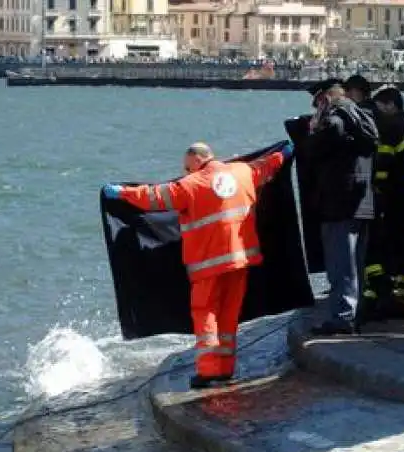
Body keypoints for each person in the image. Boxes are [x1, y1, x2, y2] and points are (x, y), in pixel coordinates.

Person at [102, 142, 292, 388]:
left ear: (195, 159)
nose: (184, 171)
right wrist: (283, 154)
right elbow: (267, 166)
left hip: (208, 265)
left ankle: (208, 371)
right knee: (229, 315)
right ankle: (225, 369)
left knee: (206, 316)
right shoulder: (242, 172)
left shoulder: (190, 185)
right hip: (240, 260)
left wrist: (121, 193)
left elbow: (153, 198)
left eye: (186, 166)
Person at [306, 79, 379, 334]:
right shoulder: (363, 116)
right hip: (363, 202)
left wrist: (314, 130)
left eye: (317, 102)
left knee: (340, 265)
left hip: (338, 203)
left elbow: (314, 150)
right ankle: (353, 314)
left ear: (324, 99)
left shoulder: (334, 119)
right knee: (355, 264)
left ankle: (342, 317)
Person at [360, 87, 404, 320]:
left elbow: (383, 165)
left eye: (380, 107)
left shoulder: (392, 129)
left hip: (394, 200)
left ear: (391, 105)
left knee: (393, 248)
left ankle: (391, 295)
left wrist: (375, 186)